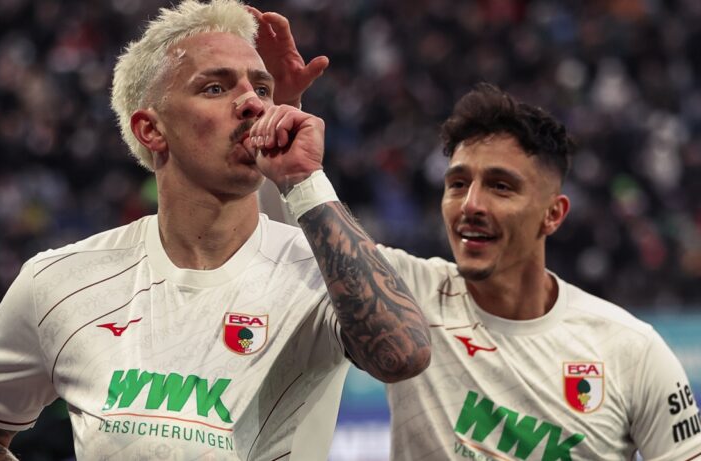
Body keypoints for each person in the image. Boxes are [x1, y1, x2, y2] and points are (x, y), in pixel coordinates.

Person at [0, 1, 432, 460]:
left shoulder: (323, 269)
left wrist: (305, 181)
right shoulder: (59, 281)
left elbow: (403, 356)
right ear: (151, 130)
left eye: (261, 89)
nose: (252, 103)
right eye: (215, 88)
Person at [246, 15, 701, 459]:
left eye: (501, 186)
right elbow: (295, 238)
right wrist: (279, 109)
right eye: (458, 184)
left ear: (553, 214)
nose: (471, 204)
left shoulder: (631, 349)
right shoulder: (402, 294)